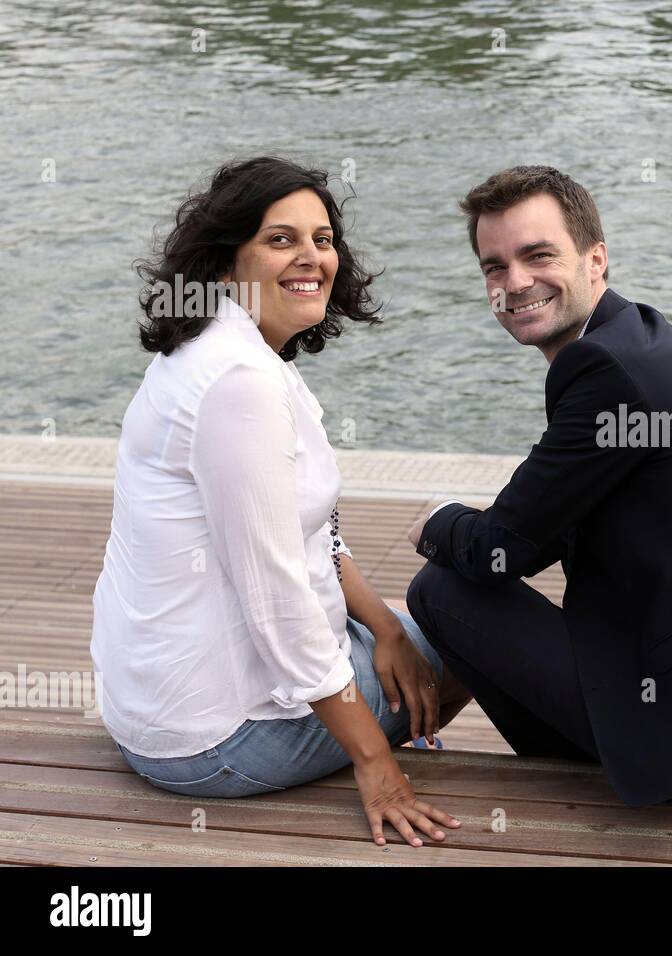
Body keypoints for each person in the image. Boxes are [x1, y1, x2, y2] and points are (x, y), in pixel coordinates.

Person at [405, 165, 672, 807]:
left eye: (538, 255)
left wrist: (435, 520)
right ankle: (590, 754)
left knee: (442, 590)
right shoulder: (635, 337)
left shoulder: (605, 369)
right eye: (493, 267)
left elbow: (504, 549)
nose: (515, 282)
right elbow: (541, 529)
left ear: (595, 259)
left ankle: (583, 763)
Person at [91, 156, 471, 847]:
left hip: (155, 706)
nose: (312, 258)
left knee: (411, 637)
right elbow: (277, 596)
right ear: (226, 262)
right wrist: (374, 760)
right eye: (281, 239)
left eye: (323, 240)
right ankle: (385, 750)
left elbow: (309, 536)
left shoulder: (216, 350)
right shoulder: (240, 386)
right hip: (213, 738)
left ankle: (377, 711)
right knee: (472, 629)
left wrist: (384, 629)